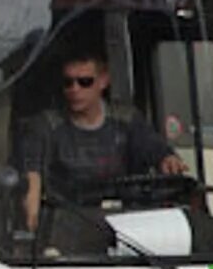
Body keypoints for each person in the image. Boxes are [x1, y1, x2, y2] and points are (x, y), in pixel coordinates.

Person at [20, 51, 187, 235]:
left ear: (104, 80)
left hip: (126, 227)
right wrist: (33, 228)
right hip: (66, 229)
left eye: (85, 82)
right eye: (68, 82)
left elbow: (154, 148)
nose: (75, 89)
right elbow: (32, 179)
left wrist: (168, 159)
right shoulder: (45, 127)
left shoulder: (127, 120)